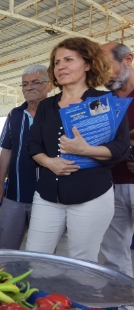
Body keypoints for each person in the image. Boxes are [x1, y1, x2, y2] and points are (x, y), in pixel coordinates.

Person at [25, 37, 130, 262]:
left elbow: (121, 148)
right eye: (56, 62)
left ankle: (76, 299)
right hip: (47, 195)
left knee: (82, 262)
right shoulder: (46, 106)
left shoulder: (105, 101)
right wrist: (49, 162)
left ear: (88, 64)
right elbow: (33, 145)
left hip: (91, 196)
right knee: (35, 257)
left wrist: (86, 150)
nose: (60, 66)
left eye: (69, 60)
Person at [0, 65, 52, 250]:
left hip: (49, 196)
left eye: (36, 82)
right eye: (25, 84)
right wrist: (0, 182)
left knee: (44, 250)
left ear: (50, 85)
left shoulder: (58, 113)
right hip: (15, 194)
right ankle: (7, 279)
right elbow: (6, 150)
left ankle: (39, 280)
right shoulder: (15, 115)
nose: (29, 87)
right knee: (7, 247)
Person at [99, 42, 134, 277]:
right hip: (109, 184)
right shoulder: (101, 104)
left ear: (128, 60)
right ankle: (126, 309)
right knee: (113, 252)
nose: (101, 75)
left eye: (106, 66)